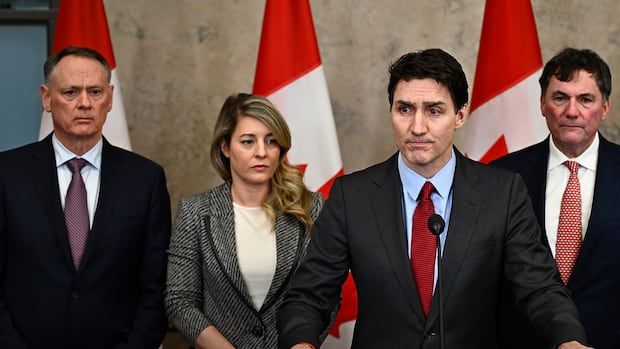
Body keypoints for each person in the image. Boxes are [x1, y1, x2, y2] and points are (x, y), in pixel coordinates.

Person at [276, 48, 592, 349]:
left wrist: (568, 338)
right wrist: (301, 341)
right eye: (405, 109)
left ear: (460, 115)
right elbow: (308, 296)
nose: (417, 127)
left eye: (434, 110)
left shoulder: (503, 193)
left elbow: (539, 286)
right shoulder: (351, 196)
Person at [0, 46, 171, 348]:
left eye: (94, 92)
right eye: (70, 92)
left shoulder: (145, 179)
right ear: (46, 98)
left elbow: (155, 288)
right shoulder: (7, 174)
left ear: (109, 98)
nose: (84, 103)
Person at [165, 93, 325, 348]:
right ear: (225, 147)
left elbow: (324, 293)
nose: (261, 152)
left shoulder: (311, 207)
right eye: (248, 141)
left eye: (271, 141)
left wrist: (302, 345)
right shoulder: (195, 211)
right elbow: (179, 300)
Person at [492, 48, 620, 349]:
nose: (572, 111)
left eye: (585, 99)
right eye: (560, 97)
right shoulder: (502, 176)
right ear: (542, 104)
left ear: (605, 108)